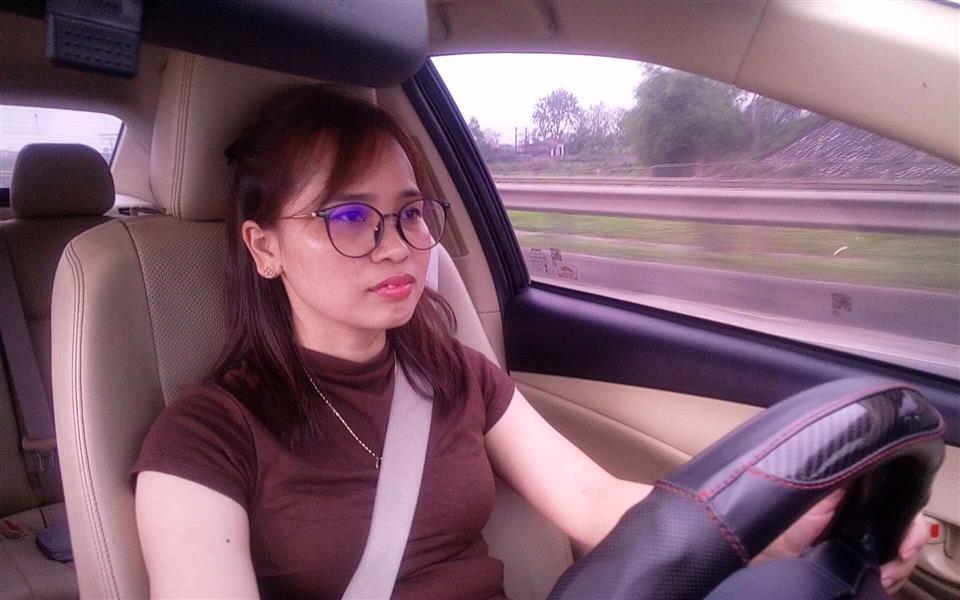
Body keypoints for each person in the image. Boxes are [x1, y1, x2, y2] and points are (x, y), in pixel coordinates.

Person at [131, 85, 926, 599]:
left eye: (410, 212)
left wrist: (782, 531)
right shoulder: (205, 437)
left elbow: (590, 500)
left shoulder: (453, 373)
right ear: (264, 247)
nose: (397, 244)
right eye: (347, 216)